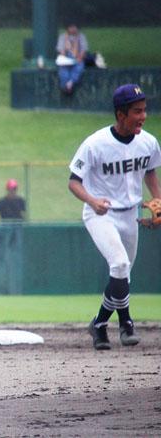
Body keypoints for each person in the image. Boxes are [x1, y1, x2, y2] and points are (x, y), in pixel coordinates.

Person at [68, 83, 161, 350]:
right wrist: (92, 200)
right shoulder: (95, 144)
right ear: (121, 115)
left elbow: (150, 172)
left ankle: (98, 324)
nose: (143, 116)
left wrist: (158, 200)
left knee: (123, 276)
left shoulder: (148, 142)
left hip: (130, 214)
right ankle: (126, 322)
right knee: (119, 265)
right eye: (137, 111)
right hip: (101, 213)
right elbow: (73, 182)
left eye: (144, 110)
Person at [56, 23, 88, 95]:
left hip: (77, 57)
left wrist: (79, 57)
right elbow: (61, 51)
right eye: (71, 27)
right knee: (63, 70)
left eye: (74, 27)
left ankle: (71, 83)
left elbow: (84, 50)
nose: (73, 29)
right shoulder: (63, 37)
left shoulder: (81, 37)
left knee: (79, 67)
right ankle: (66, 85)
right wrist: (65, 49)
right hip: (66, 58)